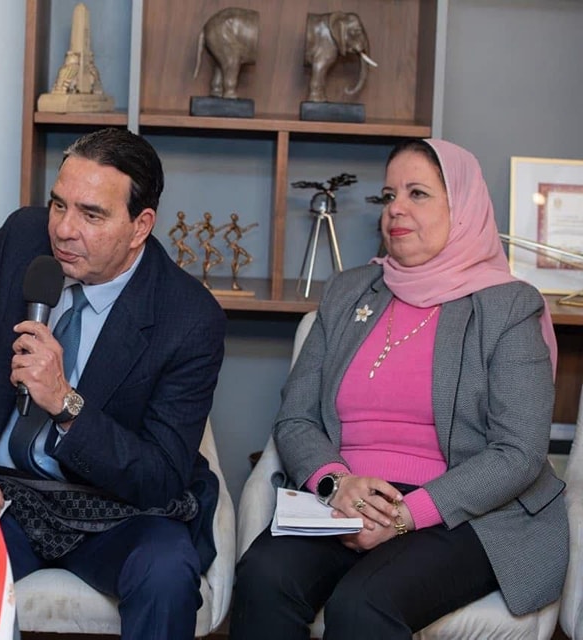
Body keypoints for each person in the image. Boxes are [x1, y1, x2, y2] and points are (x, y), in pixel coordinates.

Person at [230, 138, 568, 639]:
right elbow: (296, 416)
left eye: (418, 193)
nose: (396, 209)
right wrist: (336, 484)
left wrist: (406, 514)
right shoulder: (348, 292)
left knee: (363, 603)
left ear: (463, 208)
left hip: (463, 512)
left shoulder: (509, 307)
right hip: (347, 499)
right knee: (263, 577)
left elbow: (518, 452)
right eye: (389, 195)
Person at [0, 127, 226, 639]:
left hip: (119, 510)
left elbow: (160, 475)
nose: (63, 229)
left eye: (91, 215)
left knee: (166, 571)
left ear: (140, 226)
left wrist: (65, 403)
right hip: (7, 494)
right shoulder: (21, 240)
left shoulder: (188, 316)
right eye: (58, 205)